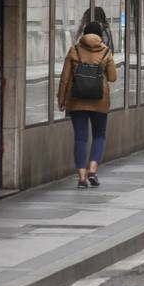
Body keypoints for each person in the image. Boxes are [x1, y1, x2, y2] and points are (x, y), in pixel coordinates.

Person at [57, 20, 118, 188]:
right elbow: (112, 77)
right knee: (99, 135)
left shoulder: (74, 50)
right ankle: (93, 170)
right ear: (100, 35)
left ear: (84, 34)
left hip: (76, 100)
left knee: (80, 138)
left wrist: (61, 100)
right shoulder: (106, 52)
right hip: (100, 101)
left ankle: (82, 177)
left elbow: (64, 79)